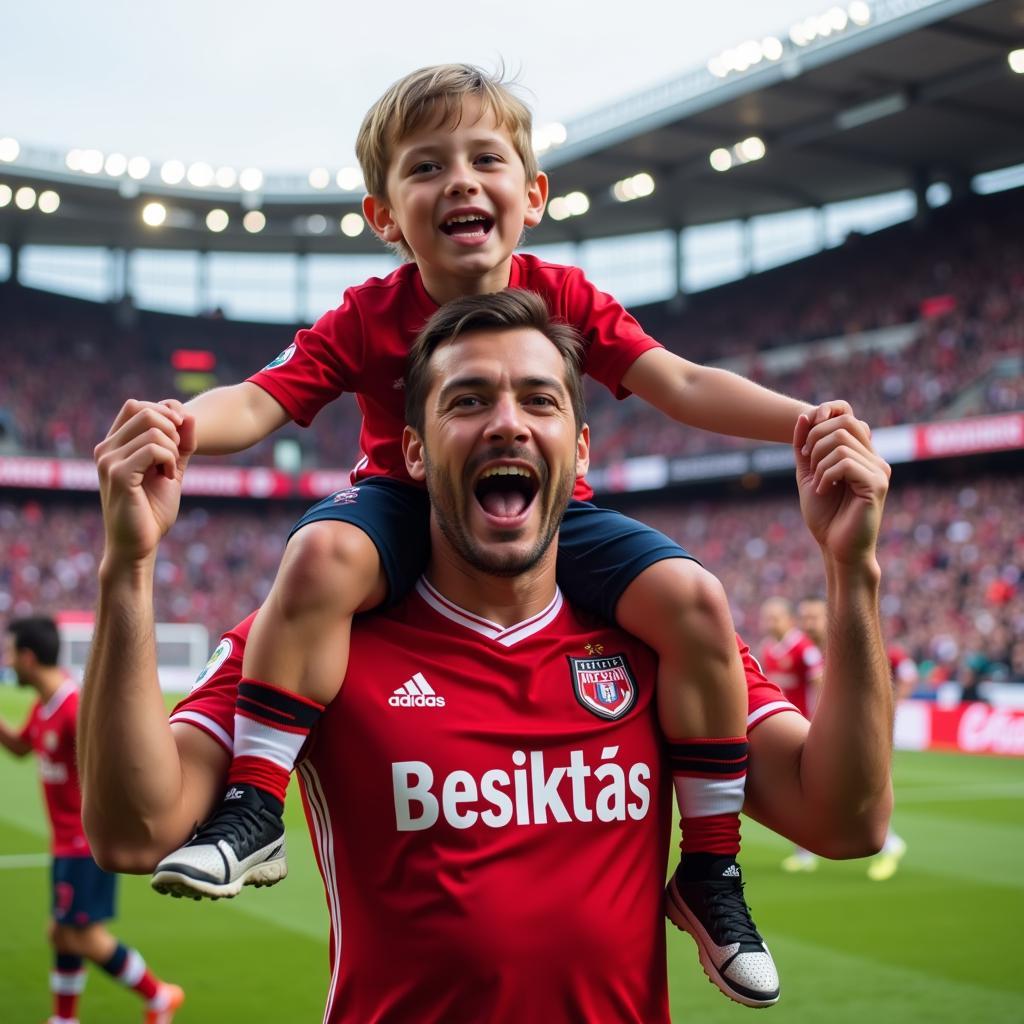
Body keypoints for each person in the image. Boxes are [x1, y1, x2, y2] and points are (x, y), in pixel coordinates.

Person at [142, 66, 857, 1004]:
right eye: (428, 166)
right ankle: (253, 807)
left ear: (533, 196)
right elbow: (262, 399)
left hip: (559, 512)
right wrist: (180, 429)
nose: (463, 181)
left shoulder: (565, 294)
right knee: (319, 555)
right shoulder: (366, 313)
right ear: (385, 214)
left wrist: (806, 423)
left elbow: (678, 382)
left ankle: (712, 869)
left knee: (695, 599)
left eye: (487, 158)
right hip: (404, 505)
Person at [83, 291, 894, 1021]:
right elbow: (134, 832)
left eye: (538, 400)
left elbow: (848, 820)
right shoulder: (311, 630)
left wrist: (851, 572)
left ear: (578, 453)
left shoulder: (663, 631)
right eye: (467, 401)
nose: (507, 422)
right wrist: (129, 565)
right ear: (411, 451)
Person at [0, 615, 184, 1024]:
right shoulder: (45, 707)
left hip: (85, 844)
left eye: (11, 653)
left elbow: (115, 761)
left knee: (81, 936)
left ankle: (159, 996)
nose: (8, 661)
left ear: (28, 658)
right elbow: (19, 747)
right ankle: (65, 1018)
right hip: (64, 843)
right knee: (62, 932)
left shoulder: (73, 708)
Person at [798, 596, 914, 881]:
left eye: (814, 617)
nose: (807, 624)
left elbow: (906, 675)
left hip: (860, 733)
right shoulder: (814, 652)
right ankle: (810, 850)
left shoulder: (860, 645)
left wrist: (888, 709)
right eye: (804, 618)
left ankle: (889, 843)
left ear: (830, 618)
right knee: (834, 791)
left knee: (855, 789)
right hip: (834, 732)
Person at [760, 596, 825, 874]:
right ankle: (804, 852)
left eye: (774, 617)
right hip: (783, 729)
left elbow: (820, 685)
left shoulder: (804, 648)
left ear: (788, 619)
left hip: (806, 726)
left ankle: (886, 839)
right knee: (794, 790)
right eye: (767, 617)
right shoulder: (767, 649)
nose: (769, 623)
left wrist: (822, 725)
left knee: (819, 788)